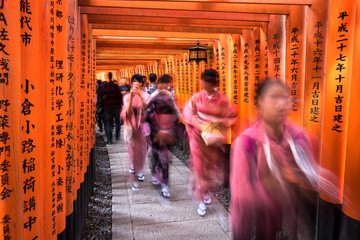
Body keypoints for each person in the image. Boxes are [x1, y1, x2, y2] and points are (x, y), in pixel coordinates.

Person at [230, 79, 328, 240]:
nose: (282, 104)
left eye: (285, 98)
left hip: (287, 219)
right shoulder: (247, 142)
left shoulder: (297, 137)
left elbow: (309, 171)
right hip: (252, 223)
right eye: (274, 97)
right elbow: (240, 192)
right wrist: (273, 188)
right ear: (259, 104)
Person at [182, 69, 237, 216]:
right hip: (199, 139)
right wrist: (198, 123)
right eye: (205, 82)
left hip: (213, 140)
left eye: (211, 82)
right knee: (200, 168)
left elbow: (232, 115)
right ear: (202, 81)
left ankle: (205, 192)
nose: (207, 85)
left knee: (212, 169)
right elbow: (188, 113)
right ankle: (201, 198)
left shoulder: (223, 100)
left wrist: (219, 123)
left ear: (215, 83)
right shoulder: (196, 98)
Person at [144, 74, 181, 198]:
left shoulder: (171, 98)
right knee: (155, 155)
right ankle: (156, 173)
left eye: (168, 83)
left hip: (168, 132)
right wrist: (155, 131)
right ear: (159, 84)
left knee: (165, 158)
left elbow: (177, 115)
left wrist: (173, 131)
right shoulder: (153, 97)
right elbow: (147, 115)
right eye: (164, 83)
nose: (167, 86)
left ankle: (164, 183)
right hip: (156, 132)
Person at [121, 74, 151, 190]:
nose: (136, 85)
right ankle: (134, 166)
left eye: (139, 84)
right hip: (130, 127)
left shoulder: (147, 96)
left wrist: (140, 98)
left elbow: (147, 111)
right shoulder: (127, 97)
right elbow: (126, 112)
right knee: (131, 148)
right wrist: (132, 97)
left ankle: (139, 170)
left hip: (142, 126)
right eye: (134, 83)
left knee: (142, 149)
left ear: (143, 85)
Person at [97, 72, 123, 144]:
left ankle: (109, 139)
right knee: (117, 121)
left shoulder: (103, 87)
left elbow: (99, 97)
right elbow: (119, 96)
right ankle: (117, 135)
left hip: (107, 108)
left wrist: (101, 104)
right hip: (116, 107)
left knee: (108, 123)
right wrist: (120, 103)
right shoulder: (115, 86)